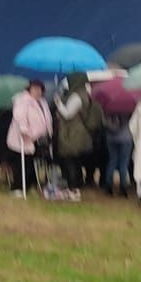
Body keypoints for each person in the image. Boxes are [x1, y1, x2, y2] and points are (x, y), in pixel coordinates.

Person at [52, 73, 98, 201]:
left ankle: (73, 190)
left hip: (72, 133)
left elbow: (67, 114)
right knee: (76, 160)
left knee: (70, 160)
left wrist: (58, 103)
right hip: (80, 133)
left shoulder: (76, 97)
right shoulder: (85, 94)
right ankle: (76, 187)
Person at [6, 80, 50, 199]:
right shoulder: (22, 101)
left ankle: (30, 185)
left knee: (30, 164)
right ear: (29, 89)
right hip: (22, 138)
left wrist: (48, 132)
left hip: (36, 138)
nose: (37, 91)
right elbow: (19, 117)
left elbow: (47, 119)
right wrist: (24, 131)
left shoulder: (43, 102)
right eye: (34, 89)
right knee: (21, 164)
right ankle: (17, 188)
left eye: (39, 89)